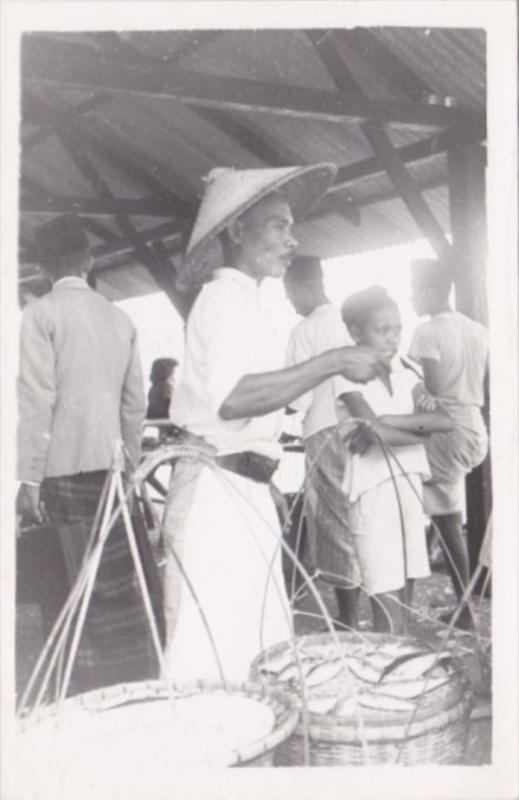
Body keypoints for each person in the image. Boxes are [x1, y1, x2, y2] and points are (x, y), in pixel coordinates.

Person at [162, 164, 386, 683]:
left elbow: (256, 405)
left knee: (255, 642)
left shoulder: (247, 302)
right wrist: (332, 361)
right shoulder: (222, 301)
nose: (292, 240)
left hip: (241, 486)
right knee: (214, 648)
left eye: (290, 227)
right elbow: (234, 401)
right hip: (216, 493)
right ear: (237, 231)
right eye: (277, 226)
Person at [16, 213, 157, 693]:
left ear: (41, 267)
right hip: (115, 469)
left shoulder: (38, 316)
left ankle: (82, 685)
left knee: (72, 577)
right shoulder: (120, 317)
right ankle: (130, 678)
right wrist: (131, 465)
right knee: (118, 583)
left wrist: (29, 478)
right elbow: (134, 405)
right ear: (90, 257)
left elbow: (37, 398)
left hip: (62, 471)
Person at [335, 286, 454, 634]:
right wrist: (414, 429)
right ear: (357, 333)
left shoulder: (405, 372)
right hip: (373, 490)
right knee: (383, 586)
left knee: (406, 584)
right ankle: (387, 667)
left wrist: (385, 424)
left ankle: (399, 662)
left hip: (408, 485)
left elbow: (445, 420)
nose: (393, 338)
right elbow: (373, 434)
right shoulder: (345, 374)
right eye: (382, 330)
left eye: (398, 329)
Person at [408, 259, 489, 628]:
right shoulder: (477, 329)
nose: (411, 297)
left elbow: (435, 390)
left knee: (439, 517)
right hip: (474, 426)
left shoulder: (427, 332)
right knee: (445, 514)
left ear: (429, 290)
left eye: (414, 289)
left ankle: (465, 610)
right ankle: (465, 606)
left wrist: (414, 388)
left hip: (447, 427)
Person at [283, 256, 361, 629]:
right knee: (352, 514)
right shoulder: (348, 322)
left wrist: (280, 404)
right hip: (355, 428)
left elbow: (298, 397)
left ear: (301, 286)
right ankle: (354, 606)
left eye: (289, 294)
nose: (290, 303)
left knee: (331, 521)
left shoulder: (305, 330)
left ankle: (347, 616)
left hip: (322, 428)